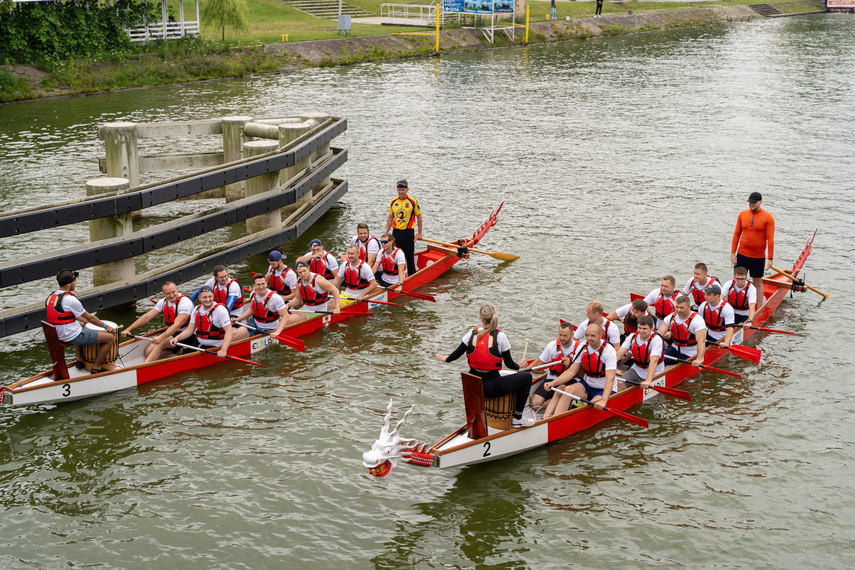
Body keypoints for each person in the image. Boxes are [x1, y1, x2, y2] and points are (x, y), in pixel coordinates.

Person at [436, 304, 534, 428]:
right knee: (526, 378)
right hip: (493, 387)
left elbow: (454, 355)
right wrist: (518, 365)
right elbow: (510, 364)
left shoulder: (471, 334)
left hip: (473, 387)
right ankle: (518, 418)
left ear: (481, 318)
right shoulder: (500, 337)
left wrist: (446, 358)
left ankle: (475, 423)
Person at [45, 269, 118, 374]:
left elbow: (65, 316)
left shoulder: (52, 297)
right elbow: (90, 318)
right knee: (110, 338)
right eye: (74, 281)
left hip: (56, 333)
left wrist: (83, 321)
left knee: (80, 326)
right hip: (69, 335)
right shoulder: (70, 300)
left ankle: (79, 360)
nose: (76, 283)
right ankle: (96, 367)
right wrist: (106, 326)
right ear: (69, 284)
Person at [543, 322, 619, 419]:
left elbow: (610, 378)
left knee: (594, 405)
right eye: (587, 335)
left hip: (603, 389)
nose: (589, 338)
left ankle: (560, 419)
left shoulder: (609, 351)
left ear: (600, 335)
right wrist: (553, 383)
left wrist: (604, 400)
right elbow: (571, 371)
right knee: (566, 389)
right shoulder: (582, 346)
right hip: (587, 384)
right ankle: (548, 419)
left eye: (592, 336)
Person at [122, 281, 194, 362]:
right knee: (147, 353)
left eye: (173, 292)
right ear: (163, 293)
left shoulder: (185, 302)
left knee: (161, 342)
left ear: (177, 289)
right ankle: (177, 351)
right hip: (172, 332)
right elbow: (147, 317)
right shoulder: (162, 302)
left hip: (187, 333)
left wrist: (161, 337)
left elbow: (177, 325)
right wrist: (129, 329)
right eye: (168, 293)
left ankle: (144, 367)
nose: (171, 295)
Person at [526, 322, 580, 411]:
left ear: (572, 335)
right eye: (560, 335)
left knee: (560, 390)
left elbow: (584, 371)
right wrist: (523, 372)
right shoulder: (552, 345)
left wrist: (570, 364)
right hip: (552, 378)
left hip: (570, 380)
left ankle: (563, 401)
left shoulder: (579, 348)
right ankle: (561, 402)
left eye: (565, 336)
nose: (562, 338)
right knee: (535, 405)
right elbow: (539, 362)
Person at [170, 286, 233, 359]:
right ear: (199, 298)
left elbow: (229, 331)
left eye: (210, 297)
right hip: (199, 343)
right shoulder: (196, 309)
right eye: (204, 297)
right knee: (183, 357)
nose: (208, 300)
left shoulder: (220, 310)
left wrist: (223, 350)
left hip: (216, 346)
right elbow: (189, 330)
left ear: (213, 296)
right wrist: (177, 338)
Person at [732, 191, 775, 298]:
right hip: (742, 254)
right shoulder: (742, 214)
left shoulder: (767, 217)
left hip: (758, 257)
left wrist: (770, 258)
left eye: (754, 202)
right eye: (750, 202)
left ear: (760, 202)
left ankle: (758, 307)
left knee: (757, 283)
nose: (751, 204)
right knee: (738, 281)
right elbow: (736, 234)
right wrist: (733, 253)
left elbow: (770, 239)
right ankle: (736, 304)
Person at [232, 274, 290, 341]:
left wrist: (277, 332)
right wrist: (238, 319)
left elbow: (285, 316)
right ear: (254, 286)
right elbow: (251, 309)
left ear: (266, 284)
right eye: (258, 284)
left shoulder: (275, 298)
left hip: (270, 330)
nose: (261, 287)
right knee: (233, 335)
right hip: (255, 325)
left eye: (263, 284)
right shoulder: (253, 294)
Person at [615, 315, 664, 391]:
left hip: (655, 373)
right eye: (639, 328)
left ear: (651, 328)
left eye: (644, 329)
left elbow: (654, 361)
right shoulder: (632, 337)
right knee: (620, 384)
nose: (641, 331)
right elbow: (618, 355)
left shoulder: (656, 340)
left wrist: (648, 380)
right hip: (637, 370)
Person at [385, 179, 422, 276]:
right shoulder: (393, 202)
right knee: (395, 256)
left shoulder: (413, 201)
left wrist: (420, 233)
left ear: (407, 190)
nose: (401, 192)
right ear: (397, 190)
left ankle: (412, 277)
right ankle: (395, 278)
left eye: (403, 190)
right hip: (396, 233)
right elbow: (390, 217)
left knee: (409, 257)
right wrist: (387, 232)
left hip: (408, 233)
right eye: (399, 189)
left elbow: (419, 217)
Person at [657, 295, 707, 367]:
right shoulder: (671, 317)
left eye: (682, 308)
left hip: (691, 353)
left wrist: (699, 359)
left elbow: (701, 341)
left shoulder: (697, 320)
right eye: (677, 307)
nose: (678, 310)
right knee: (657, 361)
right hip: (675, 348)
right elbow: (658, 334)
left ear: (689, 307)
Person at [697, 284, 736, 348]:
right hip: (707, 333)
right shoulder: (703, 306)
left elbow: (729, 329)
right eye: (705, 294)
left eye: (708, 295)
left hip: (720, 337)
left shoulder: (726, 308)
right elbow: (699, 324)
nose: (705, 297)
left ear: (717, 296)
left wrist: (726, 343)